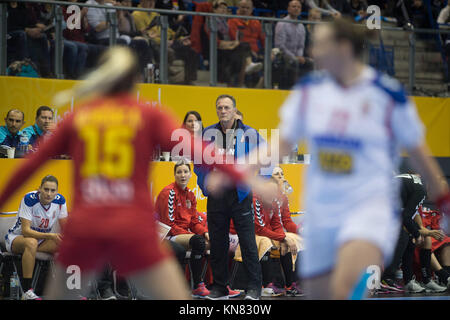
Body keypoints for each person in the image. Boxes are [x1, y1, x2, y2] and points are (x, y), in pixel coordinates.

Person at [0, 46, 267, 299]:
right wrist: (249, 178)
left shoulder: (78, 117)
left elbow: (29, 166)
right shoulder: (149, 116)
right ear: (135, 79)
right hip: (133, 229)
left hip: (86, 230)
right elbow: (205, 152)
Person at [246, 17, 450, 299]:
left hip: (368, 210)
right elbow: (279, 144)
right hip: (322, 212)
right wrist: (239, 171)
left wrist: (445, 202)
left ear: (342, 48)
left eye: (319, 44)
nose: (314, 52)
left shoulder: (387, 94)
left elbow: (422, 158)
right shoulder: (310, 92)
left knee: (345, 288)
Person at [194, 94, 265, 300]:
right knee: (217, 242)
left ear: (235, 110)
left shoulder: (249, 133)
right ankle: (220, 287)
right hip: (217, 195)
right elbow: (198, 163)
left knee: (248, 241)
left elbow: (264, 159)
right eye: (219, 108)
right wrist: (207, 180)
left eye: (226, 108)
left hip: (240, 194)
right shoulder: (208, 133)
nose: (223, 111)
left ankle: (254, 287)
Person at [5, 175, 68, 300]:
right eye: (46, 189)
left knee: (67, 244)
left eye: (53, 190)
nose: (49, 194)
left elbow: (66, 229)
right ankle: (27, 292)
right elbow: (26, 231)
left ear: (57, 192)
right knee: (31, 242)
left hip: (40, 242)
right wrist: (50, 235)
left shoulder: (60, 201)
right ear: (39, 189)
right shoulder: (29, 199)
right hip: (17, 238)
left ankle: (70, 290)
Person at [156, 159, 211, 298]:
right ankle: (197, 284)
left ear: (191, 174)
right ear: (174, 175)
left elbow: (193, 222)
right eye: (179, 172)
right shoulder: (168, 193)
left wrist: (205, 232)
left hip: (182, 234)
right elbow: (169, 225)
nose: (183, 175)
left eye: (186, 172)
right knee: (198, 241)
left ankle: (215, 285)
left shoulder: (190, 195)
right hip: (167, 235)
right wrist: (191, 235)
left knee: (210, 241)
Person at [252, 178, 303, 297]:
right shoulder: (254, 200)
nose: (272, 195)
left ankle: (290, 285)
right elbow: (259, 229)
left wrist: (283, 239)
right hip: (247, 235)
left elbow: (277, 224)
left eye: (274, 192)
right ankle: (266, 284)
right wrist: (283, 238)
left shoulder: (275, 200)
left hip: (264, 234)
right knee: (266, 241)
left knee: (289, 240)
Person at [205, 0, 262, 87]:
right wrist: (231, 44)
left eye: (225, 8)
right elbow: (216, 42)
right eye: (220, 8)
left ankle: (254, 82)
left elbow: (263, 38)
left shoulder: (224, 23)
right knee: (244, 49)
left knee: (245, 50)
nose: (223, 10)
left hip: (236, 48)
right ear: (214, 10)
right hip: (221, 51)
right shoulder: (212, 22)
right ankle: (241, 80)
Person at [274, 0, 313, 88]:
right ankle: (293, 88)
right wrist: (294, 57)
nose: (296, 9)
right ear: (288, 9)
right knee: (294, 61)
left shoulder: (301, 26)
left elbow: (301, 46)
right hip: (283, 54)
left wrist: (299, 56)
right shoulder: (282, 23)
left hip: (296, 56)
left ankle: (309, 89)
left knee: (311, 63)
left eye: (298, 7)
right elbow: (280, 45)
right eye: (294, 6)